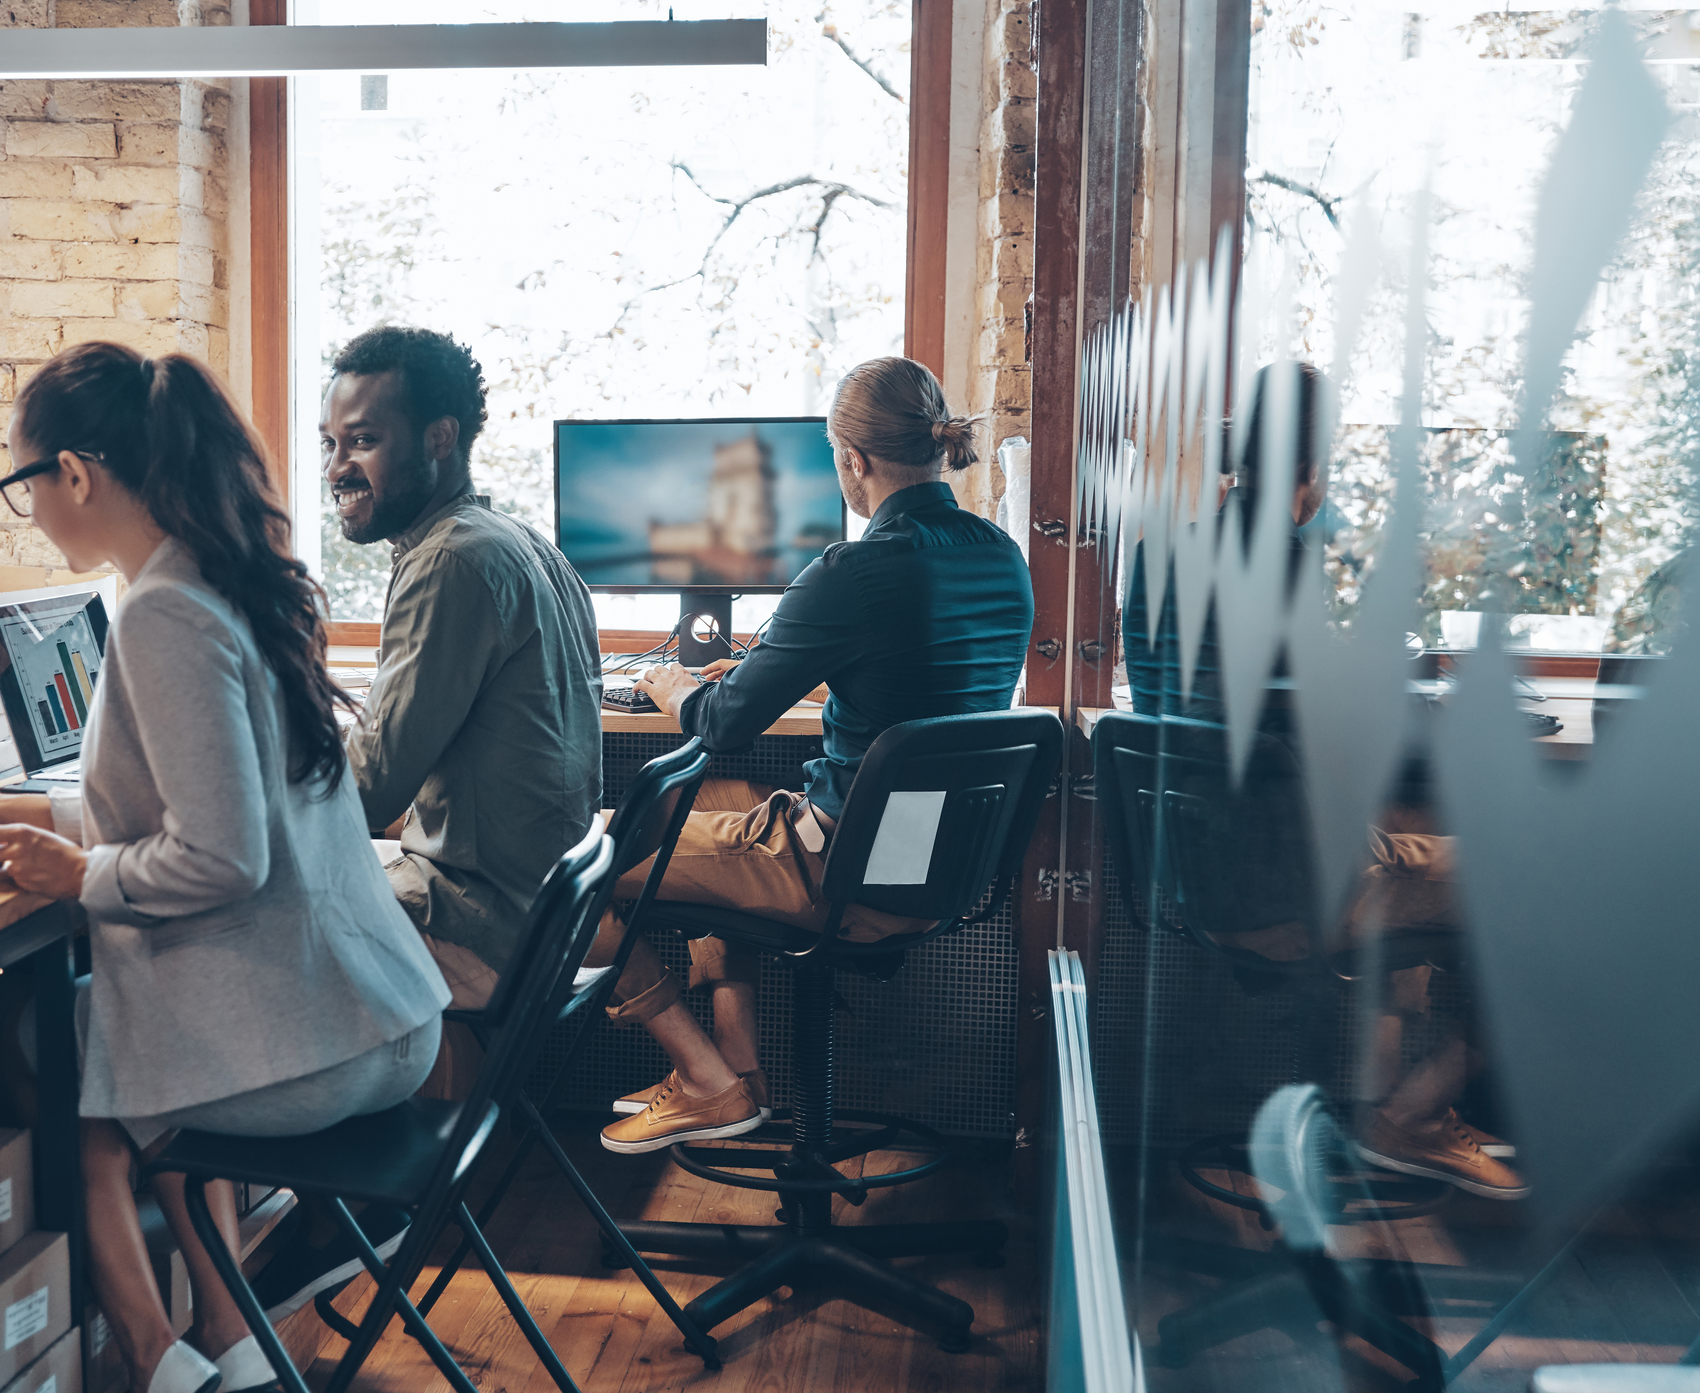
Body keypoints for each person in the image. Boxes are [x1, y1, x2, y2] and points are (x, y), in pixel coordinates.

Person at [0, 343, 452, 1393]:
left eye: (25, 483)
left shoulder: (159, 613)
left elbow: (220, 854)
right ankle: (226, 1351)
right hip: (377, 1010)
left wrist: (76, 876)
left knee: (67, 1057)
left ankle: (158, 1358)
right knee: (121, 1051)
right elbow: (183, 796)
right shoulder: (215, 578)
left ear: (78, 473)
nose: (33, 509)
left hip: (319, 1041)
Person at [589, 355, 1034, 1155]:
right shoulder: (1003, 559)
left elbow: (721, 723)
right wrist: (791, 671)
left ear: (853, 460)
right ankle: (741, 1071)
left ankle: (704, 1081)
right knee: (711, 796)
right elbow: (925, 697)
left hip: (841, 875)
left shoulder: (852, 572)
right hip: (941, 867)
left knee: (574, 858)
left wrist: (667, 685)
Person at [1119, 362, 1526, 1200]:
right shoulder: (1303, 578)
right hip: (1287, 882)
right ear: (1314, 469)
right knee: (1533, 880)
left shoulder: (1160, 555)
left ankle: (1385, 1111)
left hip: (1191, 870)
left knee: (1406, 842)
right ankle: (1412, 1113)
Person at [319, 325, 603, 1015]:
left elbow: (368, 795)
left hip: (478, 927)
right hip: (542, 914)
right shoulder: (520, 542)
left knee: (211, 913)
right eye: (329, 444)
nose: (334, 468)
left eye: (362, 441)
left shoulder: (448, 563)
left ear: (439, 438)